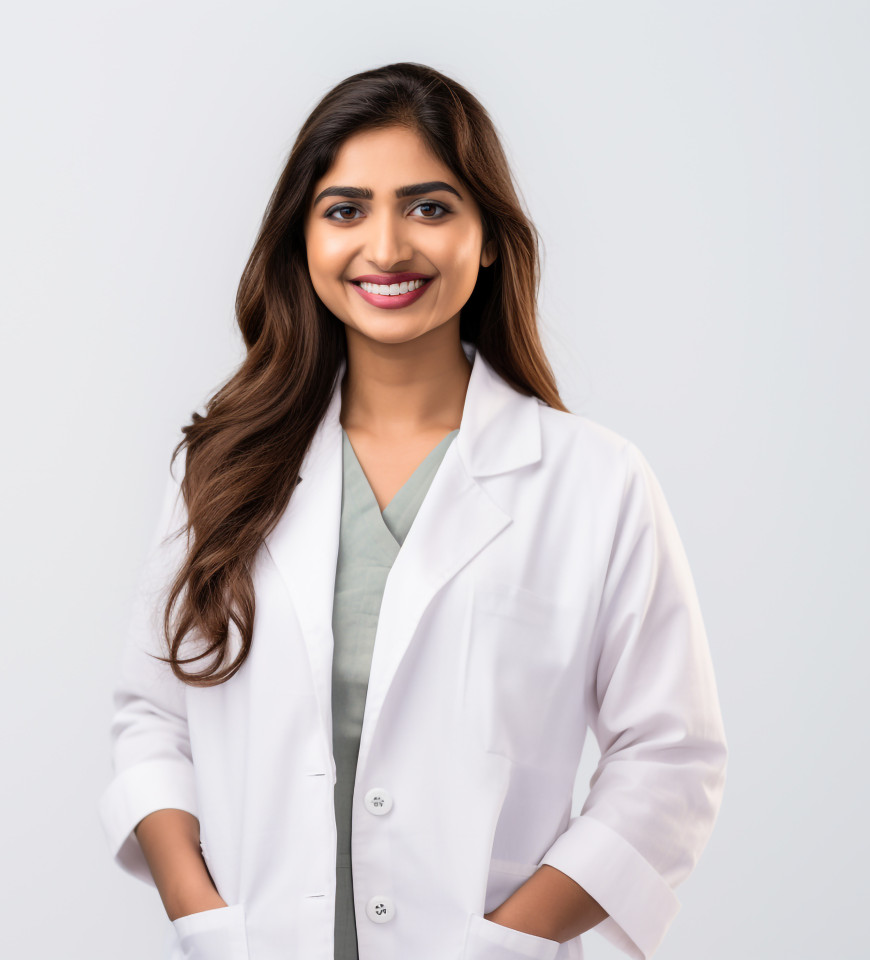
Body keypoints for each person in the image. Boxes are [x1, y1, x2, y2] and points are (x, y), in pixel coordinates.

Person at [99, 62, 727, 960]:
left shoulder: (595, 482)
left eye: (429, 207)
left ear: (492, 237)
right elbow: (152, 716)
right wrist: (201, 915)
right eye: (345, 209)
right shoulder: (225, 468)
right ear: (301, 239)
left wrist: (508, 942)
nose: (386, 248)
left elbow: (669, 759)